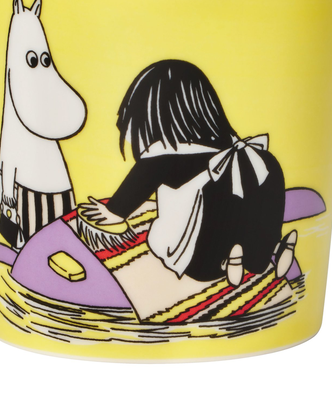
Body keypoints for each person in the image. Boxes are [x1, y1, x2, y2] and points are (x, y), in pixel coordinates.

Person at [81, 60, 297, 286]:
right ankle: (272, 249)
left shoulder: (164, 154)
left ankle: (231, 260)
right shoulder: (240, 148)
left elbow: (134, 189)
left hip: (203, 261)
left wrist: (113, 211)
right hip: (246, 237)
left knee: (166, 238)